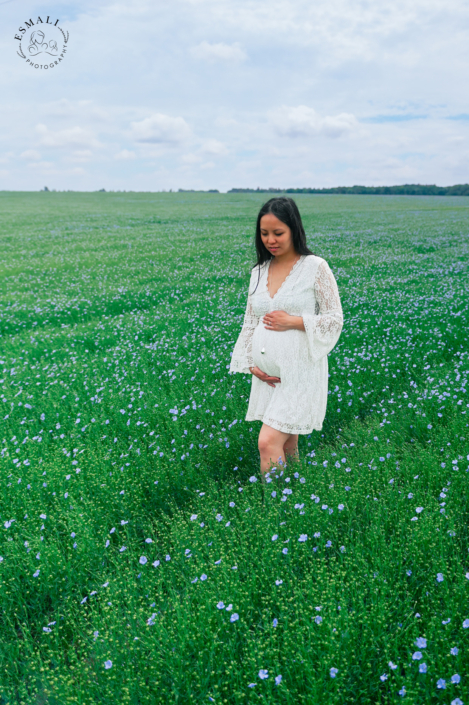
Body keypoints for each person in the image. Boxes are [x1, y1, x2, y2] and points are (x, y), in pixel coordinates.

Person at [229, 197, 343, 480]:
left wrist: (294, 321)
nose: (270, 240)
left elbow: (334, 319)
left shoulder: (315, 267)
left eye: (278, 233)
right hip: (266, 375)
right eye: (264, 233)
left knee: (267, 442)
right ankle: (296, 503)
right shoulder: (258, 271)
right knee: (287, 442)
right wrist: (250, 365)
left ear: (294, 229)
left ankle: (276, 508)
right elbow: (250, 322)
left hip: (300, 371)